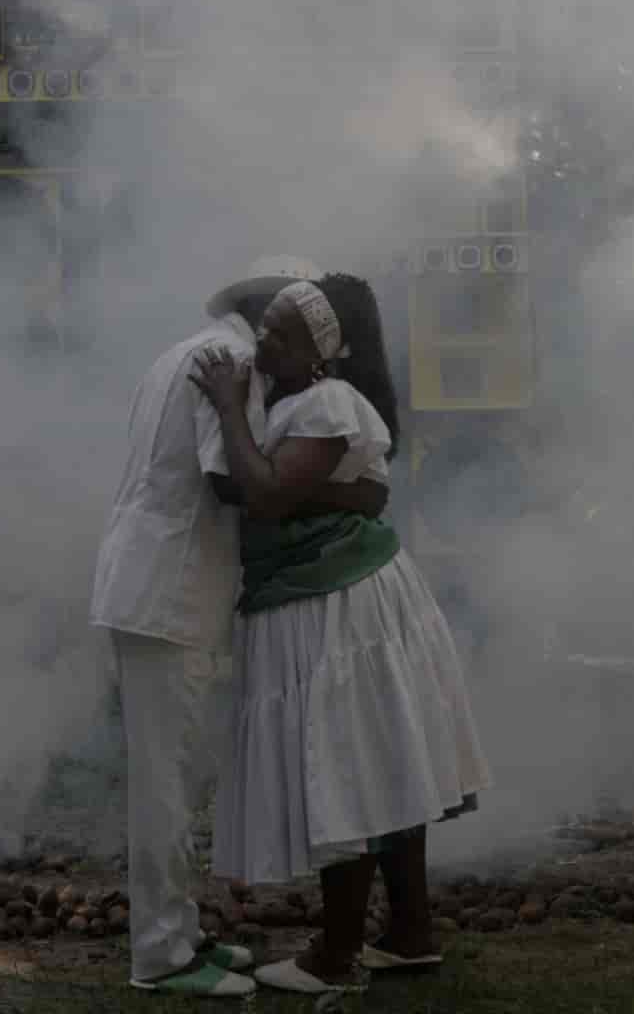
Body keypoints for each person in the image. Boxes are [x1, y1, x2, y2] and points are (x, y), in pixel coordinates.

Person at [192, 275, 489, 997]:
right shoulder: (304, 401)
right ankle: (409, 934)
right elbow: (274, 485)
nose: (263, 338)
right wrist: (328, 488)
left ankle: (335, 953)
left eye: (281, 333)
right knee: (379, 765)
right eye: (265, 326)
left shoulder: (323, 401)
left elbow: (262, 490)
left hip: (337, 606)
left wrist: (229, 407)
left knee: (349, 770)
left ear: (320, 355)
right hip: (338, 597)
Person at [89, 256, 322, 998]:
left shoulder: (180, 351)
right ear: (268, 316)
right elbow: (232, 480)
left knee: (180, 776)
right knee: (165, 785)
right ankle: (159, 956)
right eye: (290, 323)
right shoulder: (233, 363)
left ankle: (183, 936)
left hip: (153, 584)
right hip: (169, 593)